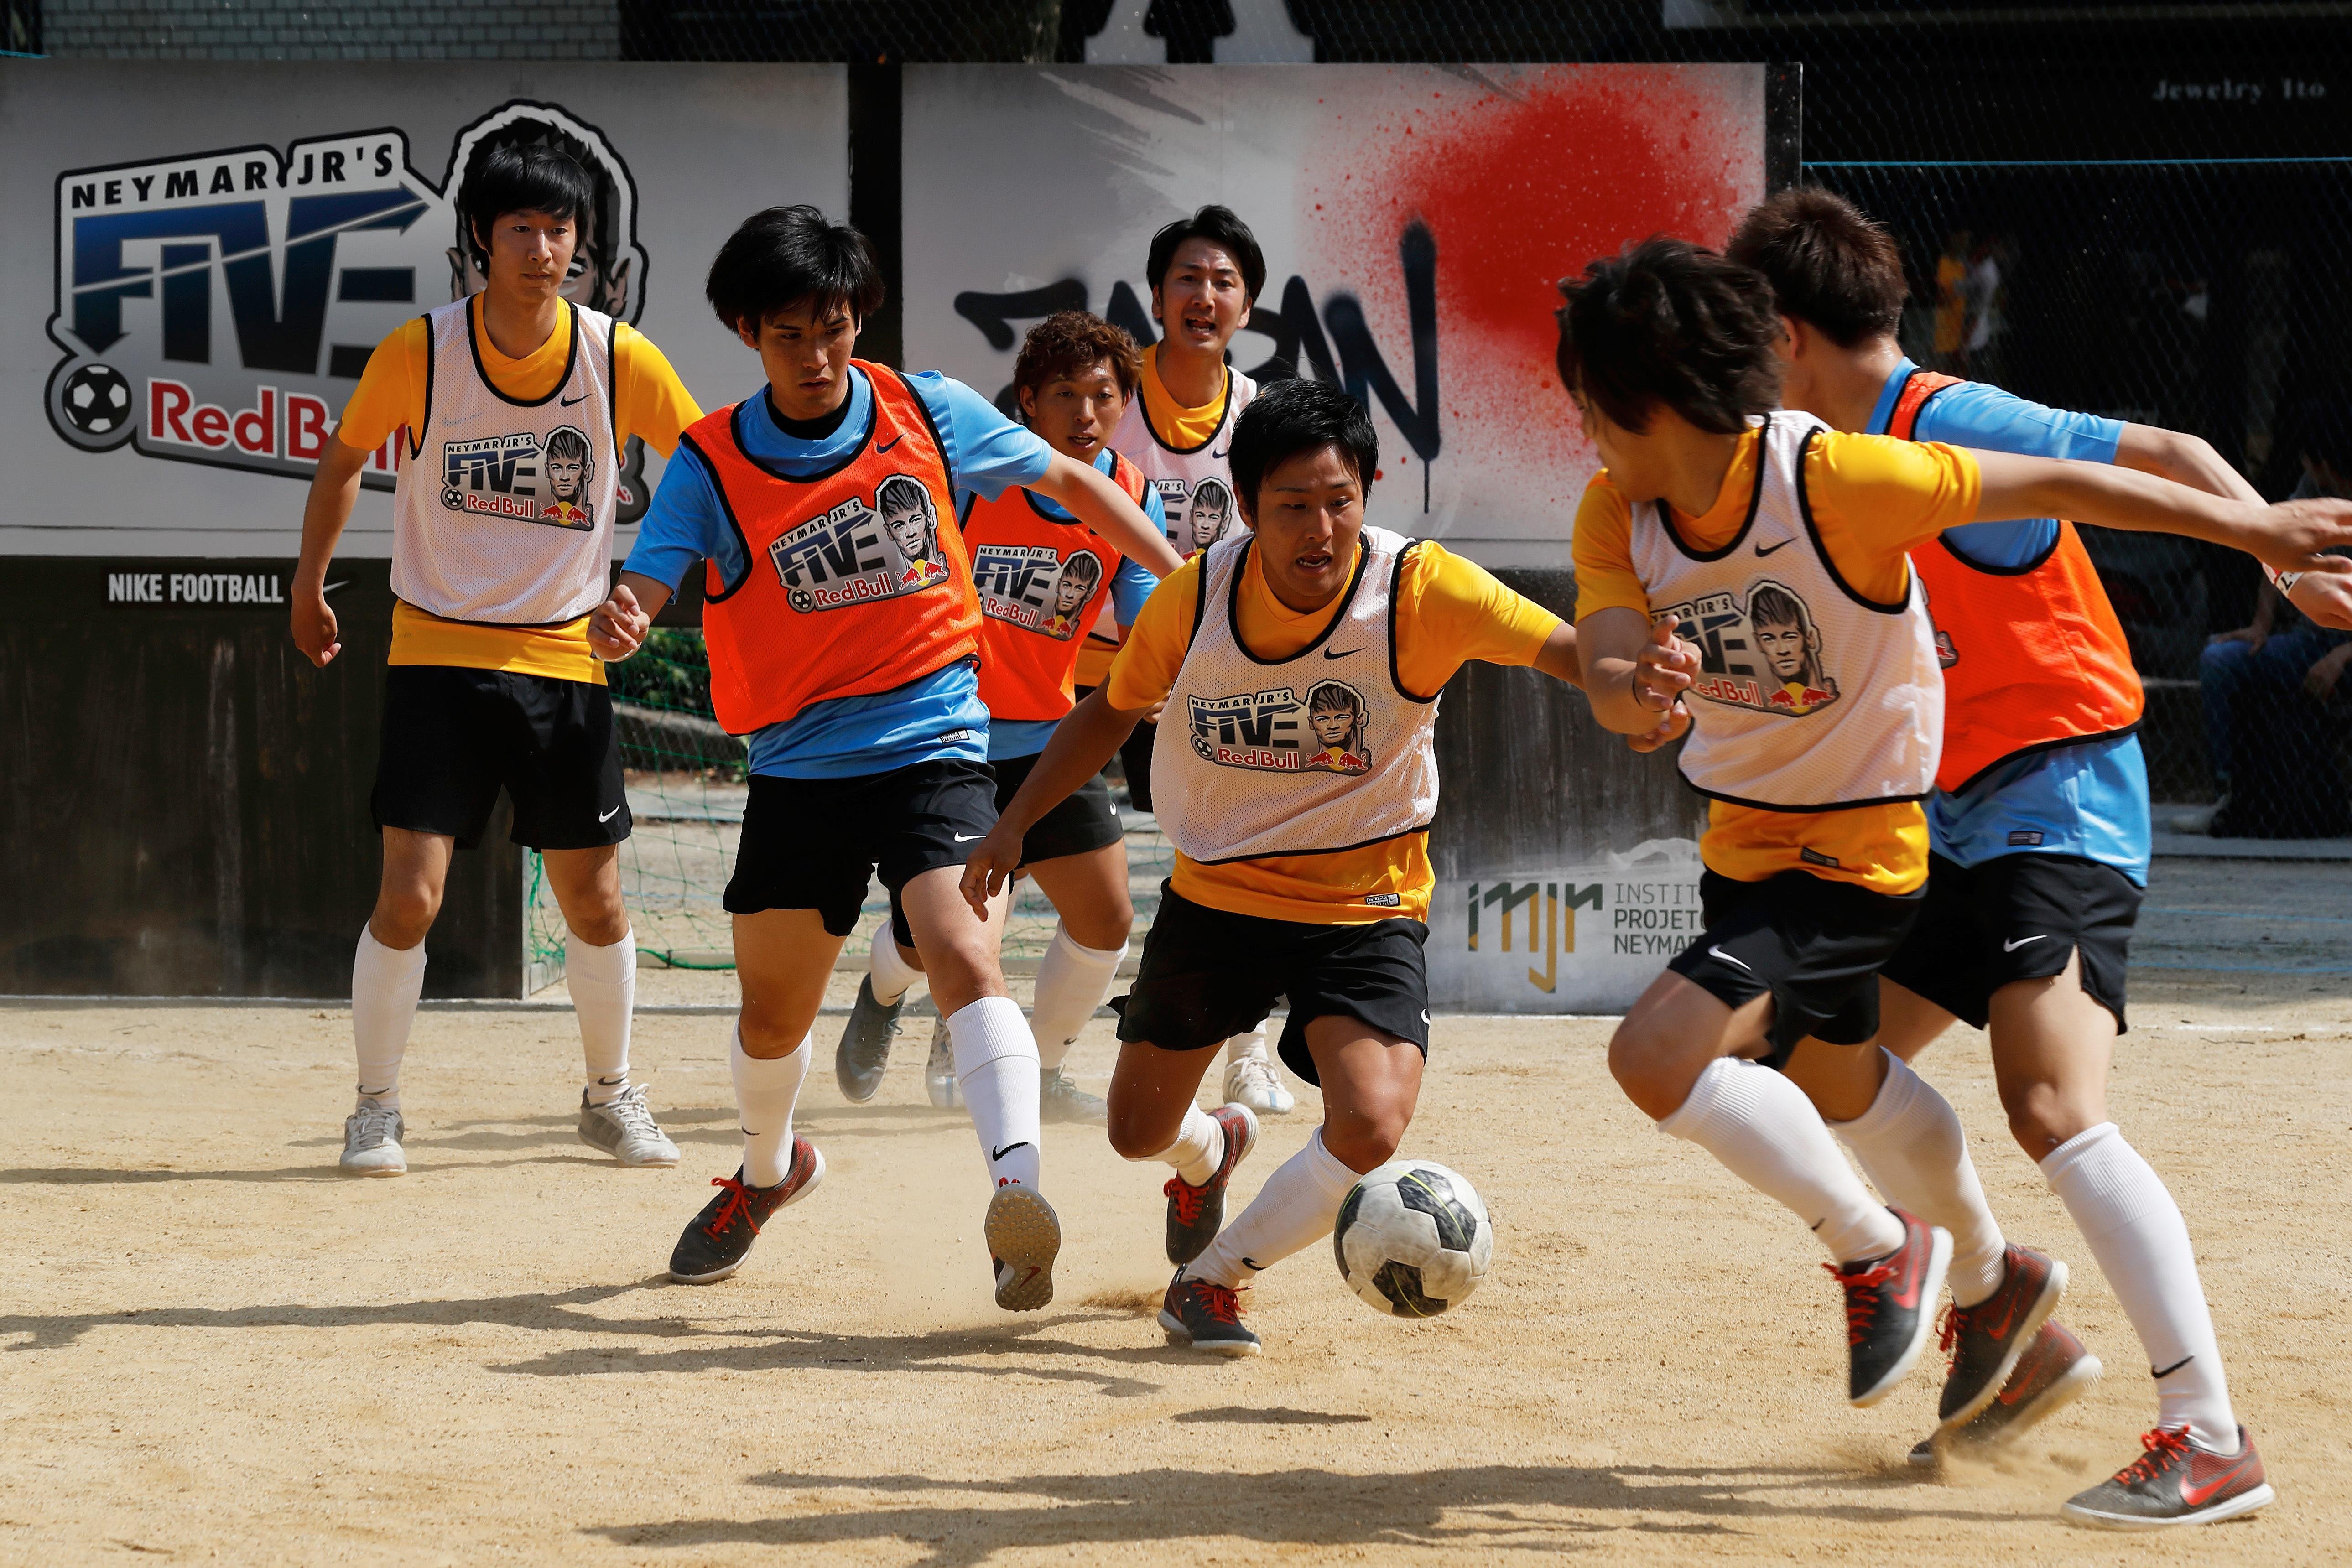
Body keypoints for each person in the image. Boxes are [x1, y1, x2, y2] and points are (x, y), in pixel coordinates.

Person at [1563, 237, 2352, 1501]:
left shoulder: (1903, 439)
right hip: (1924, 815)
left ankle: (2207, 1429)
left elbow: (2116, 465)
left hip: (2052, 787)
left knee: (2045, 1099)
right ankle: (1997, 1297)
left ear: (1778, 337)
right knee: (1815, 1077)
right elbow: (1613, 652)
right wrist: (1628, 685)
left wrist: (2259, 535)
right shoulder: (1675, 496)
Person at [964, 378, 1637, 1356]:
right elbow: (1109, 708)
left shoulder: (1419, 590)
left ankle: (1211, 1281)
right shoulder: (1197, 596)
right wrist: (1015, 821)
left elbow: (1569, 653)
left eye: (1340, 500)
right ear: (1246, 508)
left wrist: (1640, 683)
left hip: (1364, 903)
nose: (1320, 528)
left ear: (1367, 489)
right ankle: (1211, 1152)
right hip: (1219, 895)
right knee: (1133, 1131)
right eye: (1292, 506)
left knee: (1369, 1125)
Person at [585, 207, 1173, 1311]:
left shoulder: (925, 409)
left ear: (861, 320)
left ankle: (1015, 1205)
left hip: (934, 742)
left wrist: (1186, 582)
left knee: (964, 948)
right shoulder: (710, 461)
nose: (818, 359)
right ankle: (769, 1171)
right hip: (800, 768)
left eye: (837, 330)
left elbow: (1079, 486)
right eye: (790, 337)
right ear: (746, 333)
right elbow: (654, 576)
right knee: (770, 1020)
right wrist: (628, 611)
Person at [290, 140, 703, 1179]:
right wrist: (307, 585)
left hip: (566, 664)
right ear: (480, 238)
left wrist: (644, 599)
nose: (541, 248)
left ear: (582, 245)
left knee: (597, 902)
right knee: (410, 897)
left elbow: (707, 475)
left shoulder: (617, 356)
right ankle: (375, 1108)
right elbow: (341, 465)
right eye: (519, 227)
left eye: (559, 229)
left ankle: (610, 1097)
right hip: (435, 656)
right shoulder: (421, 352)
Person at [834, 311, 1178, 1127]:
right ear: (1026, 402)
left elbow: (1146, 619)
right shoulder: (980, 479)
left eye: (1105, 396)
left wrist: (1159, 670)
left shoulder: (1132, 500)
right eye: (1065, 394)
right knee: (961, 936)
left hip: (1050, 743)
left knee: (1107, 918)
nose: (1086, 414)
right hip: (952, 737)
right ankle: (888, 991)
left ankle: (1047, 1066)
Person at [1108, 203, 1292, 1115]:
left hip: (1207, 676)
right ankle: (958, 1008)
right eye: (1188, 278)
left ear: (1247, 310)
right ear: (1155, 297)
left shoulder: (1261, 416)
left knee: (1245, 844)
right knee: (1024, 842)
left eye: (1224, 283)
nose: (1204, 296)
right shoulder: (1107, 400)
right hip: (1090, 669)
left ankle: (1245, 1052)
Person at [2185, 400, 2352, 837]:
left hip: (2346, 648)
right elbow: (2275, 552)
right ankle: (2233, 796)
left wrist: (2344, 657)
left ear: (2324, 461)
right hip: (2311, 640)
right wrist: (2261, 625)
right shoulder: (2312, 489)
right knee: (2222, 661)